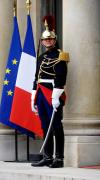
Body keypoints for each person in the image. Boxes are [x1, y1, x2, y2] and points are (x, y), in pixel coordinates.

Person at [31, 16, 69, 168]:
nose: (47, 42)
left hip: (53, 93)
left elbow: (61, 77)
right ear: (42, 41)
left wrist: (56, 96)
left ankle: (58, 158)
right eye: (45, 40)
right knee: (45, 125)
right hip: (41, 93)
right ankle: (47, 156)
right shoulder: (41, 57)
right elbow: (36, 77)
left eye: (50, 39)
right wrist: (33, 97)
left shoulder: (61, 56)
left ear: (55, 40)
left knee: (56, 126)